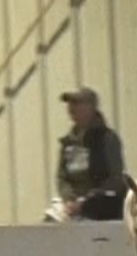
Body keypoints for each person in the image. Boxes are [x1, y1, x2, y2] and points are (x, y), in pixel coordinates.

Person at [52, 86, 127, 222]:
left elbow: (115, 179)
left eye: (77, 103)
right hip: (72, 208)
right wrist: (69, 199)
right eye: (70, 104)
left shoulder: (107, 138)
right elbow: (62, 177)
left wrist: (86, 201)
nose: (72, 108)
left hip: (101, 208)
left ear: (91, 107)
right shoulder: (68, 142)